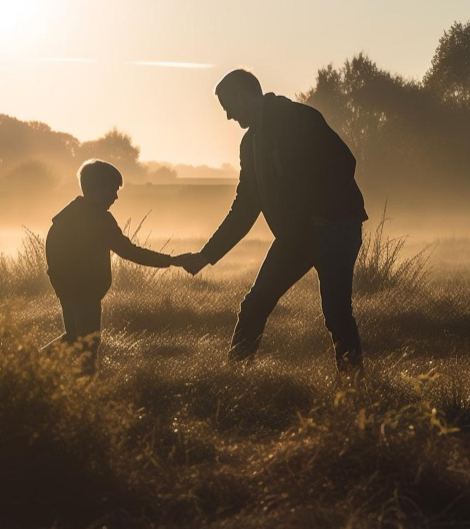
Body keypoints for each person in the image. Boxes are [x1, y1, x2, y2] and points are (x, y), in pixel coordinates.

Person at [178, 69, 368, 375]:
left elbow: (344, 161)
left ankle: (354, 389)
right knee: (254, 306)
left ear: (244, 96)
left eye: (229, 107)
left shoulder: (298, 118)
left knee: (336, 313)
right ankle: (234, 380)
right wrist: (206, 256)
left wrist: (322, 210)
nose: (228, 117)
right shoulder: (249, 144)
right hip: (296, 237)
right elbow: (245, 207)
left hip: (335, 229)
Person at [44, 159, 187, 375]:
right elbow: (129, 252)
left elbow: (52, 253)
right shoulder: (99, 220)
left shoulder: (65, 218)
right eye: (113, 189)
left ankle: (29, 366)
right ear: (98, 189)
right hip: (86, 294)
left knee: (74, 338)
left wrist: (60, 286)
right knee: (89, 348)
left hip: (68, 292)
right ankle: (85, 392)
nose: (116, 196)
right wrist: (171, 260)